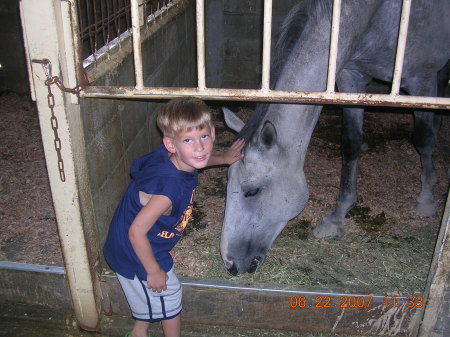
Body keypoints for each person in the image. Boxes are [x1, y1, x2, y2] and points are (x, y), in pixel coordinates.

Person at [103, 98, 244, 337]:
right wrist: (153, 271)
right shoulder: (169, 190)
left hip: (136, 240)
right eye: (188, 140)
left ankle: (139, 332)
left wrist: (225, 158)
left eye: (204, 137)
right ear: (170, 144)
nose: (199, 148)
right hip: (135, 251)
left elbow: (198, 159)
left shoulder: (177, 157)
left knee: (147, 302)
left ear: (212, 132)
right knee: (169, 293)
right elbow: (136, 232)